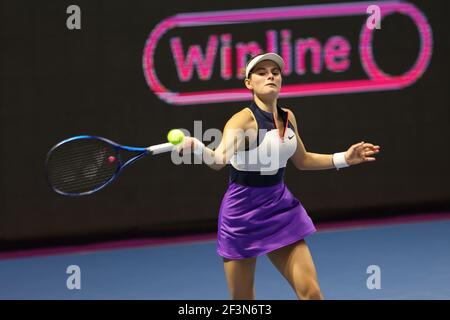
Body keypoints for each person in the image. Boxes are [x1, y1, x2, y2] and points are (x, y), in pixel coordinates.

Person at [176, 53, 381, 300]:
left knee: (312, 293)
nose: (270, 75)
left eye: (275, 71)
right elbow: (219, 160)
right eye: (261, 72)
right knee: (243, 302)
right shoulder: (242, 121)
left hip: (279, 208)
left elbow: (303, 160)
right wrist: (197, 146)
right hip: (242, 215)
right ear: (249, 83)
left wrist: (344, 159)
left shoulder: (287, 117)